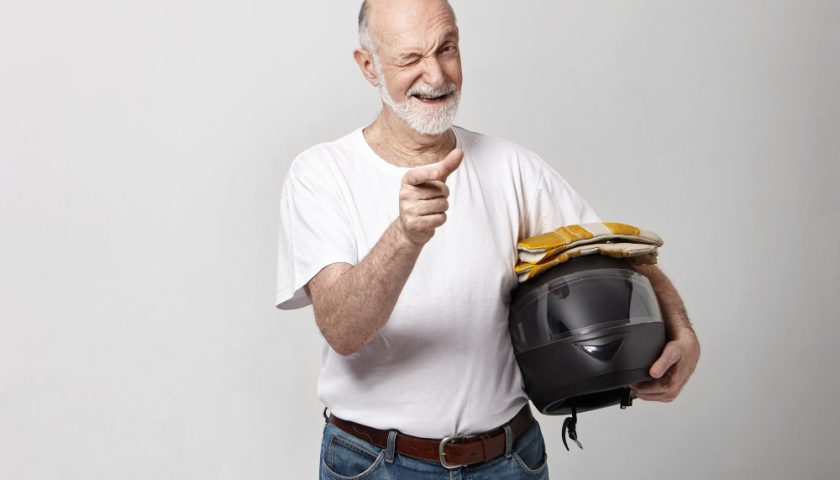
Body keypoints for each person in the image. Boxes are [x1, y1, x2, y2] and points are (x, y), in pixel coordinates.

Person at [275, 0, 701, 478]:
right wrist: (405, 235)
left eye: (447, 49)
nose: (435, 75)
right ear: (369, 66)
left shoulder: (511, 167)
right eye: (410, 59)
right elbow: (342, 331)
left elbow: (618, 256)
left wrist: (683, 334)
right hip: (375, 464)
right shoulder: (322, 174)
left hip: (509, 459)